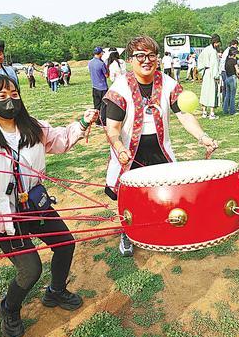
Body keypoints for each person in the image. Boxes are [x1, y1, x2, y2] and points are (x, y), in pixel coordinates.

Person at [0, 75, 98, 337]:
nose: (10, 100)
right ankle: (9, 308)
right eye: (2, 96)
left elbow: (60, 139)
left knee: (65, 244)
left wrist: (82, 122)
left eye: (14, 94)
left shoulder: (33, 127)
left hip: (35, 203)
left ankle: (56, 291)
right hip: (5, 214)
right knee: (30, 269)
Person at [103, 36, 219, 257]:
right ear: (130, 59)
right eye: (140, 56)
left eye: (151, 55)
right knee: (129, 196)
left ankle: (160, 229)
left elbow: (184, 115)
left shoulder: (168, 84)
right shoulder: (119, 90)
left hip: (159, 148)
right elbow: (113, 129)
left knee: (164, 191)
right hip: (129, 152)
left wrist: (202, 136)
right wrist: (119, 148)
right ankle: (127, 232)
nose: (146, 60)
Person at [198, 34, 222, 119]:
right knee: (212, 92)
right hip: (211, 73)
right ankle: (212, 113)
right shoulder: (213, 51)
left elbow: (200, 60)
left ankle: (204, 112)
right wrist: (216, 76)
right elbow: (214, 65)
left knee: (205, 92)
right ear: (216, 42)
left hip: (206, 72)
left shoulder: (205, 49)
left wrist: (202, 71)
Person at [88, 47, 109, 125]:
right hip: (103, 87)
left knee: (96, 105)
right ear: (100, 53)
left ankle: (97, 121)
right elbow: (106, 75)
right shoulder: (101, 63)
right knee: (104, 105)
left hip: (94, 86)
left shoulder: (90, 62)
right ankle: (103, 121)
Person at [222, 47, 238, 115]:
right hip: (232, 78)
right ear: (234, 54)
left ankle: (225, 110)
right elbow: (237, 71)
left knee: (227, 95)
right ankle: (232, 111)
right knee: (232, 96)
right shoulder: (234, 61)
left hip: (227, 78)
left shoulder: (226, 60)